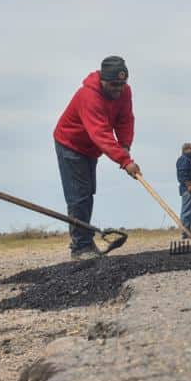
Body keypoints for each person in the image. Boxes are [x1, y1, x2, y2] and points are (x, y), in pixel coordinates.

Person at [54, 56, 140, 259]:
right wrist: (125, 161)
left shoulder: (124, 92)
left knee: (88, 192)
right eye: (113, 85)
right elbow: (100, 133)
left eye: (122, 84)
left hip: (91, 149)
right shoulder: (89, 96)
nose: (118, 89)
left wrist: (125, 146)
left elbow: (125, 119)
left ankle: (86, 243)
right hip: (71, 145)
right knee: (79, 195)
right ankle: (80, 247)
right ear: (102, 80)